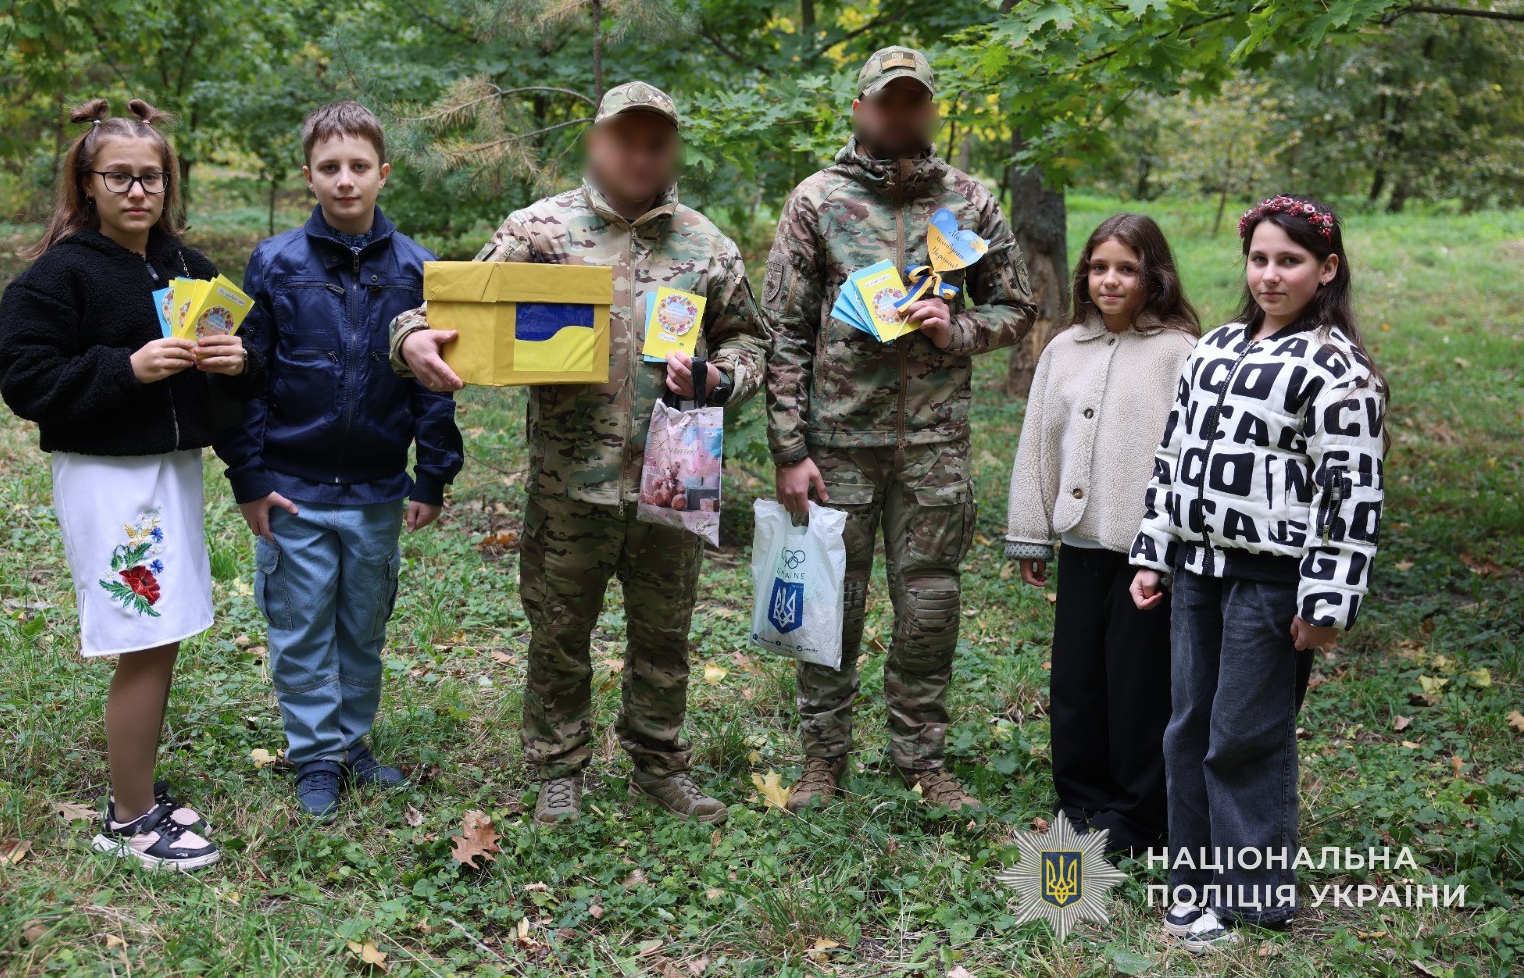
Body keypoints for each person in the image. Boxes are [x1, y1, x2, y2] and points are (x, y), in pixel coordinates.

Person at [391, 82, 769, 826]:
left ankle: (659, 765)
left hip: (676, 475)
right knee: (559, 633)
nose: (640, 156)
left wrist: (721, 378)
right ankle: (559, 770)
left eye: (655, 143)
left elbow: (750, 340)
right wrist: (410, 339)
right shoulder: (541, 231)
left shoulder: (707, 245)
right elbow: (447, 312)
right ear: (597, 142)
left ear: (672, 150)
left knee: (665, 636)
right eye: (625, 139)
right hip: (571, 481)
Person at [764, 47, 1037, 812]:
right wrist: (789, 448)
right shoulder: (817, 200)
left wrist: (958, 327)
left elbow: (1018, 307)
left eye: (914, 101)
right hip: (836, 444)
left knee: (930, 607)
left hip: (934, 444)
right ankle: (824, 760)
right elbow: (782, 331)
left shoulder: (970, 202)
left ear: (930, 110)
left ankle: (922, 758)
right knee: (831, 604)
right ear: (861, 109)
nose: (900, 114)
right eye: (887, 101)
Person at [0, 98, 265, 869]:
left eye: (152, 176)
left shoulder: (186, 267)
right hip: (109, 479)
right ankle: (130, 820)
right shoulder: (59, 276)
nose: (138, 190)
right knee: (144, 637)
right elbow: (27, 380)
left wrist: (238, 361)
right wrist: (129, 367)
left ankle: (136, 783)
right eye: (120, 176)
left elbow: (246, 358)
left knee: (162, 632)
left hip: (170, 472)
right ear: (87, 183)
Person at [1128, 194, 1387, 949]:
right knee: (1187, 728)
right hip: (1197, 570)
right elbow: (1174, 456)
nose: (1270, 275)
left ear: (1326, 269)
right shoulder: (1212, 348)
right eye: (1259, 259)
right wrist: (1154, 549)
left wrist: (1327, 600)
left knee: (1243, 735)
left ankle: (1250, 895)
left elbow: (1351, 494)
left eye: (1290, 261)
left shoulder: (1338, 369)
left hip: (1272, 583)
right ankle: (1192, 879)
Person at [215, 101, 463, 820]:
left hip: (378, 489)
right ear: (309, 176)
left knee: (362, 626)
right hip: (292, 488)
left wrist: (433, 474)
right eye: (330, 167)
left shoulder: (419, 268)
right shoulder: (275, 263)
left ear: (384, 173)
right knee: (299, 628)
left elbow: (434, 384)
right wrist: (249, 478)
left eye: (359, 166)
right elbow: (248, 377)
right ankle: (316, 753)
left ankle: (352, 743)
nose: (345, 180)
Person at [1004, 213, 1200, 854]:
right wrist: (1031, 531)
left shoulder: (1180, 353)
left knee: (1138, 683)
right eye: (1098, 268)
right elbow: (1038, 444)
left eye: (1126, 269)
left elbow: (1190, 454)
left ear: (1155, 276)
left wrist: (1170, 544)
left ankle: (1139, 812)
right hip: (1081, 543)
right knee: (1078, 679)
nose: (1109, 280)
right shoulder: (1063, 349)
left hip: (1146, 551)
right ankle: (1080, 796)